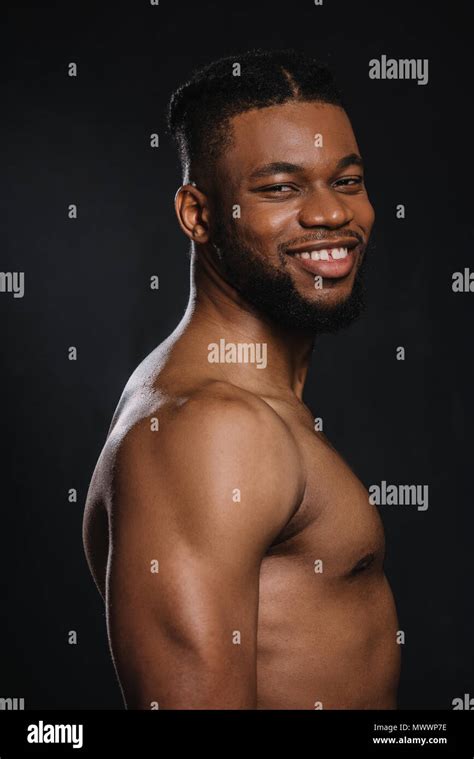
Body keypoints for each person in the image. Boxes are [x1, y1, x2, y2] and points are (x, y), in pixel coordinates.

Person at [83, 48, 401, 710]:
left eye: (346, 180)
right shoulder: (208, 428)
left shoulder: (238, 405)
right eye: (280, 187)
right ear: (198, 214)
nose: (329, 215)